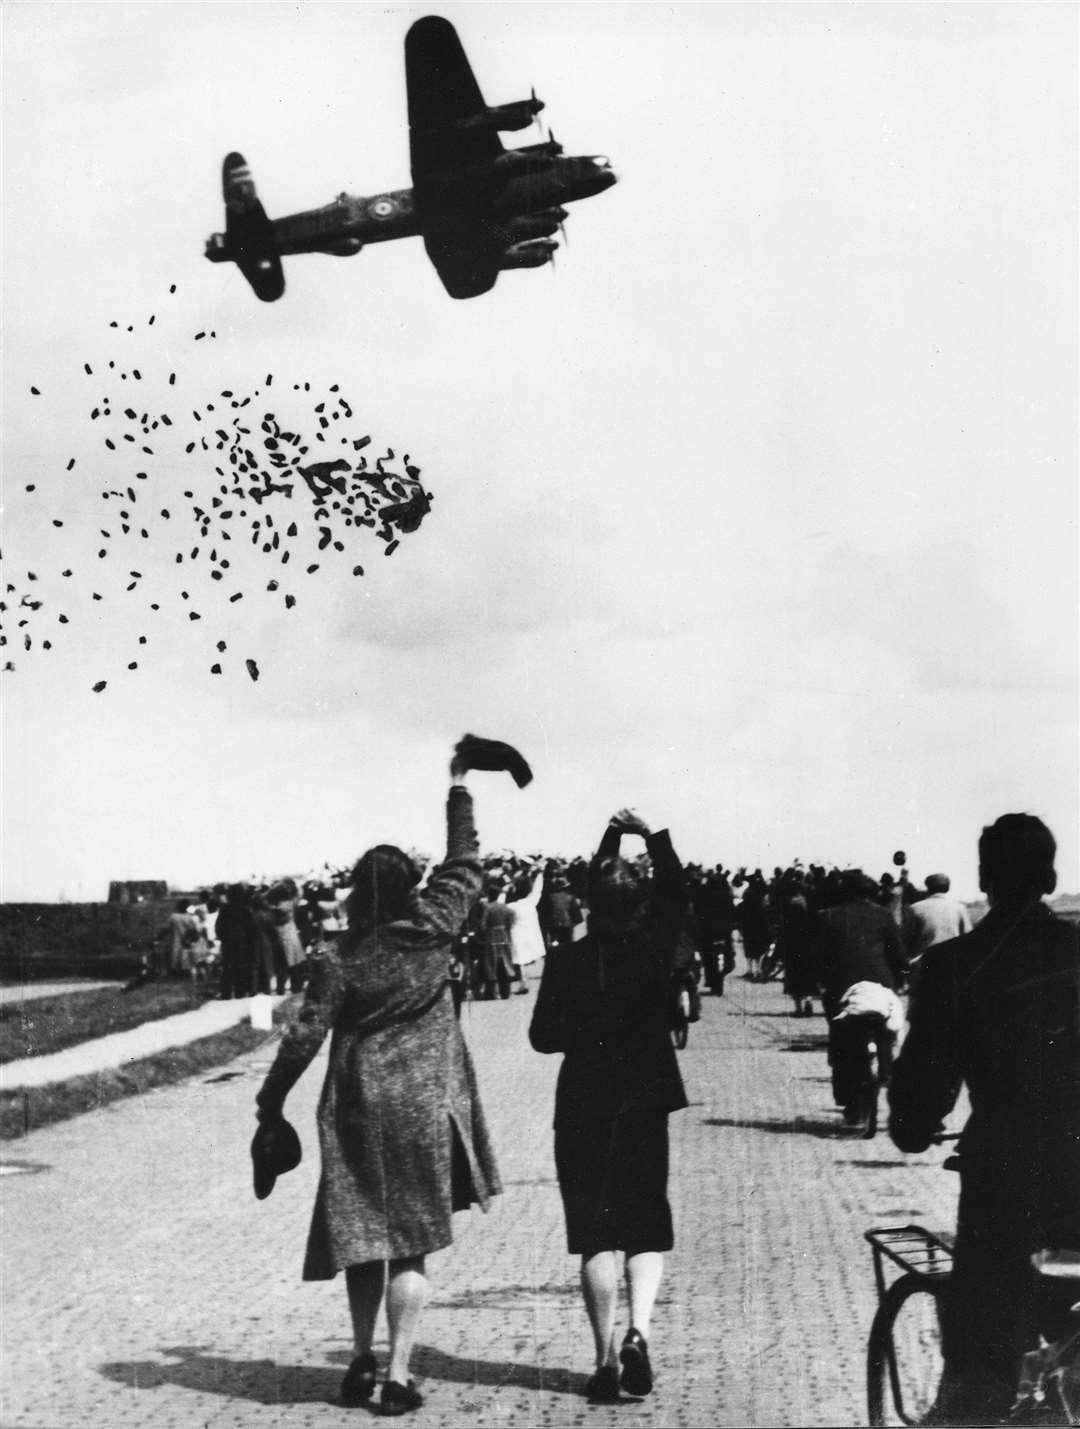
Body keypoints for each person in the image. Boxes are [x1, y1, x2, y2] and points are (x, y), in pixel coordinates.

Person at [252, 743, 503, 1417]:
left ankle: (359, 1358)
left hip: (357, 1105)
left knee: (364, 1238)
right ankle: (398, 1373)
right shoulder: (437, 923)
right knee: (412, 1246)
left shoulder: (339, 955)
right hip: (423, 1104)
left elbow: (304, 1035)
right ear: (410, 889)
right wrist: (457, 784)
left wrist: (269, 1101)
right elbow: (465, 859)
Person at [888, 814, 1080, 1426]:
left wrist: (912, 1126)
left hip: (1006, 1179)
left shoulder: (952, 967)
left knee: (979, 1352)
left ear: (984, 877)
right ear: (1051, 876)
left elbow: (920, 1097)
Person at [529, 808, 687, 1405]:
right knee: (645, 1222)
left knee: (596, 1233)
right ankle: (639, 1333)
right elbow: (675, 891)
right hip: (645, 1098)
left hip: (583, 1104)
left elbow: (543, 1037)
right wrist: (650, 834)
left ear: (590, 903)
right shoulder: (655, 945)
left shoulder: (568, 959)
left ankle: (601, 1360)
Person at [814, 871, 905, 1128]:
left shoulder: (828, 916)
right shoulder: (884, 915)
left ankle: (850, 1103)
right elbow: (897, 954)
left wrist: (822, 983)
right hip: (880, 983)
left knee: (841, 1039)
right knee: (887, 1031)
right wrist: (900, 978)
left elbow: (819, 957)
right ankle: (886, 1068)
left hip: (842, 989)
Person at [905, 872, 972, 1000]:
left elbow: (906, 939)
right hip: (951, 965)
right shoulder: (959, 908)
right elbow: (968, 937)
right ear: (947, 888)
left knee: (923, 1007)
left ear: (928, 888)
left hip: (922, 965)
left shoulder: (915, 908)